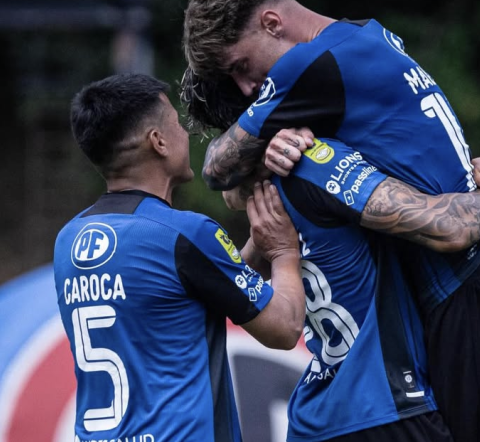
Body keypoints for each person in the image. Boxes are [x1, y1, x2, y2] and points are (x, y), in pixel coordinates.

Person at [181, 0, 480, 442]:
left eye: (242, 68)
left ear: (272, 23)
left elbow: (217, 169)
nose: (250, 88)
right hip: (469, 289)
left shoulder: (309, 67)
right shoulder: (368, 37)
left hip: (469, 295)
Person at [53, 73, 305, 442]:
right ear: (158, 142)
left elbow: (187, 292)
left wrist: (257, 244)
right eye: (176, 123)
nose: (185, 133)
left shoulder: (68, 238)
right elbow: (285, 329)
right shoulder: (185, 233)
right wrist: (284, 252)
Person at [219, 135, 480, 442]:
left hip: (313, 420)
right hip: (384, 403)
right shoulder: (325, 166)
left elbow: (231, 194)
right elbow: (452, 229)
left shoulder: (280, 190)